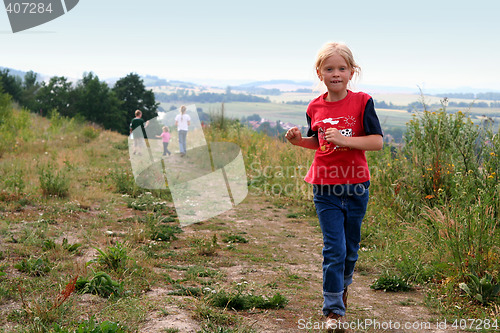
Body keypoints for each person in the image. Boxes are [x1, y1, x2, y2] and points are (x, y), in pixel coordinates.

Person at [285, 42, 383, 331]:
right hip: (325, 186)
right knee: (334, 249)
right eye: (329, 68)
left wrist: (345, 140)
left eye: (342, 68)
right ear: (320, 73)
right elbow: (318, 141)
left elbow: (376, 141)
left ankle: (342, 289)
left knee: (351, 249)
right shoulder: (314, 106)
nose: (336, 73)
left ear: (352, 72)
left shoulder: (363, 102)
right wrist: (298, 141)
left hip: (355, 185)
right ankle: (333, 312)